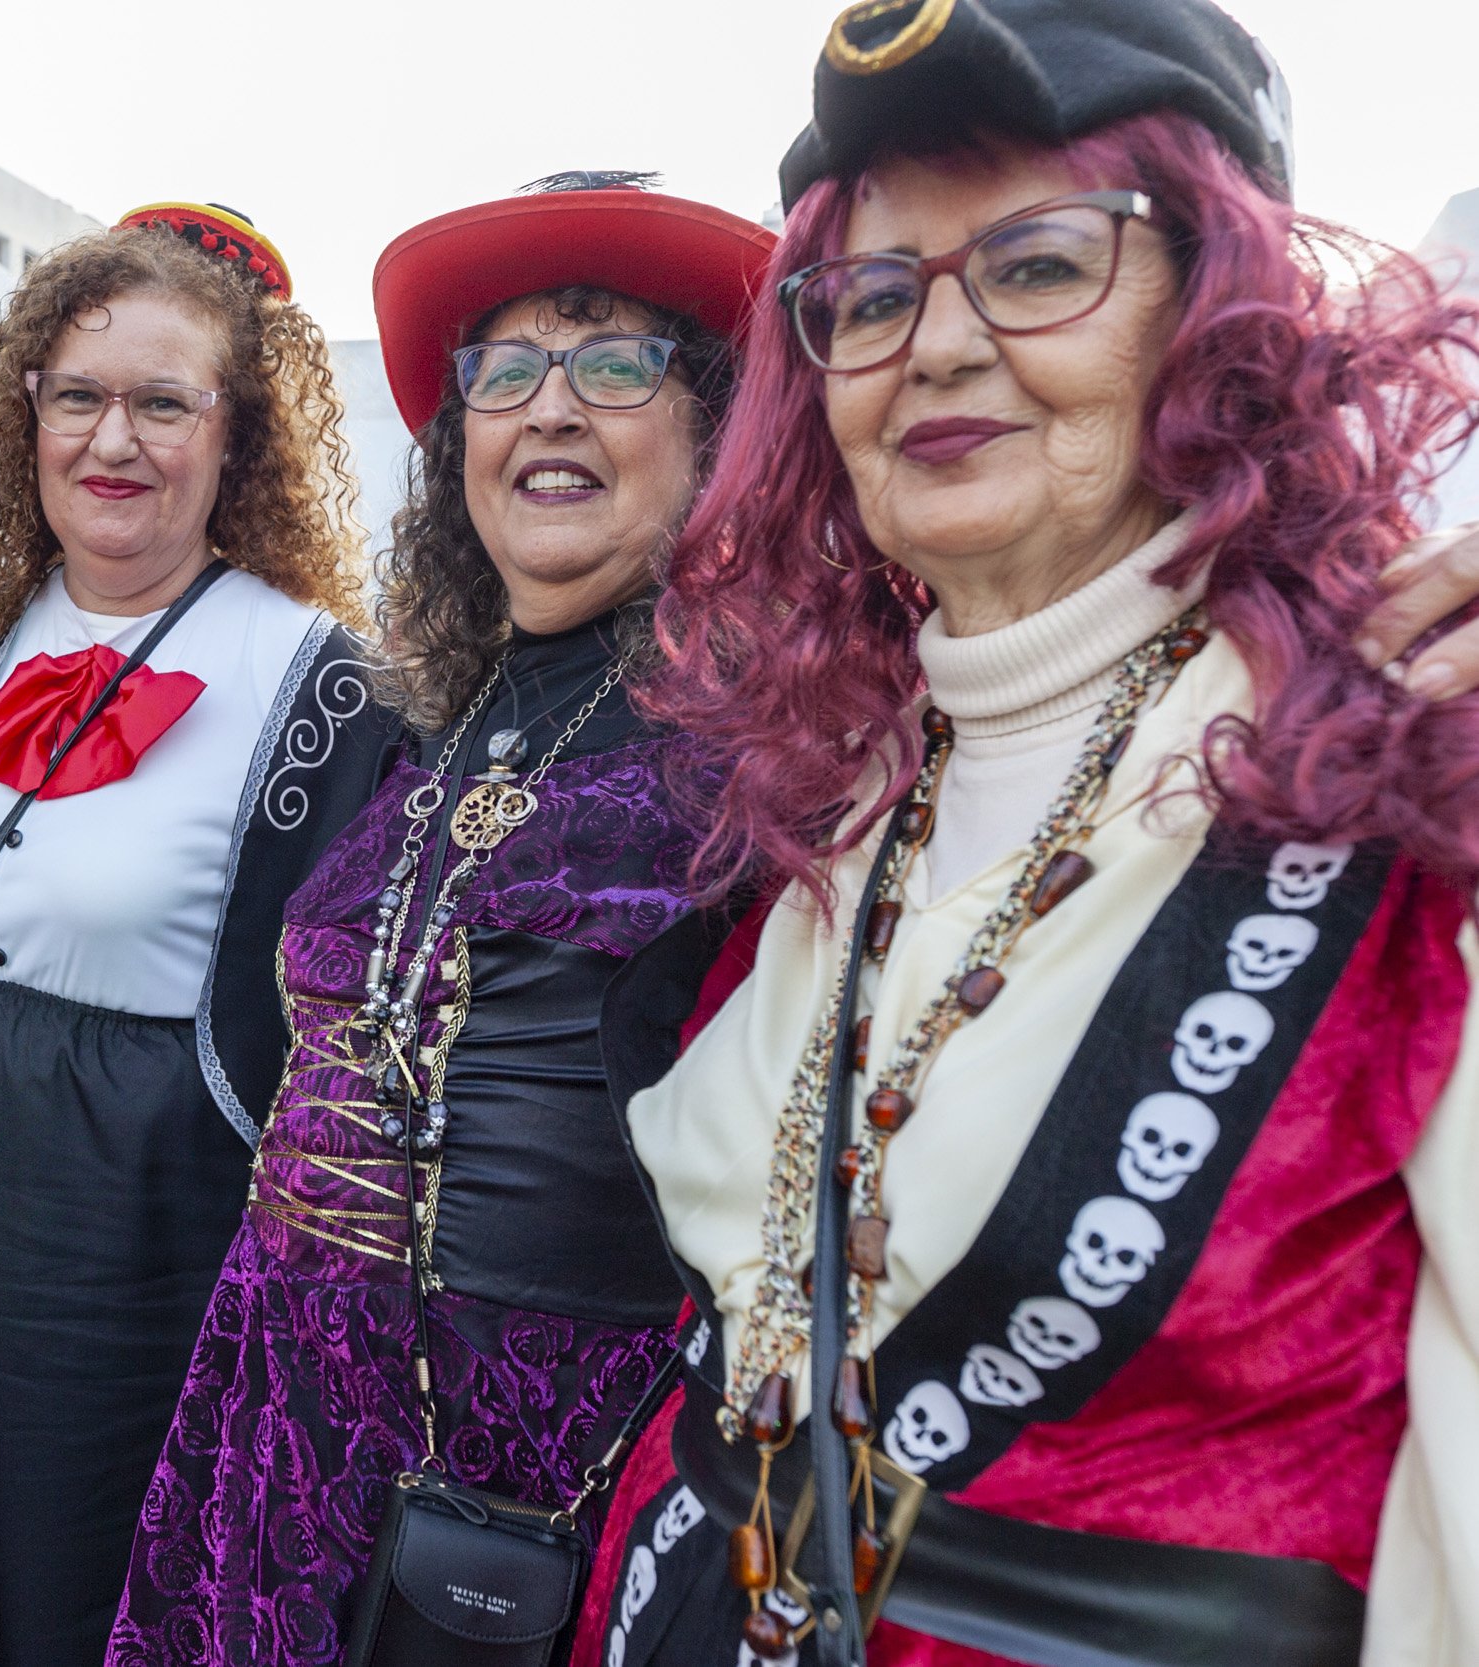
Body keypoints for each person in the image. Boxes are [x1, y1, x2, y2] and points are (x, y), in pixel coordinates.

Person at [578, 4, 1479, 1664]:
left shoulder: (1416, 775)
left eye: (1043, 262)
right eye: (870, 294)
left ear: (1217, 306)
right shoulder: (829, 784)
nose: (932, 345)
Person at [103, 173, 776, 1667]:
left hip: (542, 1480)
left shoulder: (779, 741)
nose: (550, 409)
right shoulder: (436, 723)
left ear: (716, 428)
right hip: (280, 1418)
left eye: (615, 364)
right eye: (505, 370)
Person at [0, 204, 389, 1665]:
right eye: (78, 397)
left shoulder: (325, 687)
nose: (112, 438)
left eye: (162, 403)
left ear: (235, 437)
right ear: (30, 421)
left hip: (141, 1223)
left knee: (84, 1592)